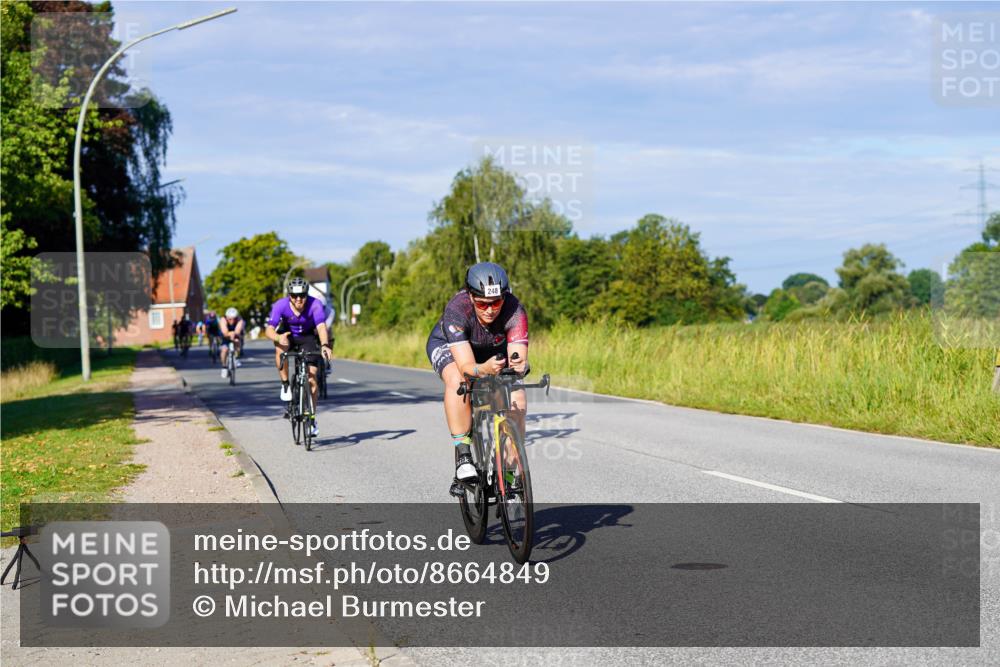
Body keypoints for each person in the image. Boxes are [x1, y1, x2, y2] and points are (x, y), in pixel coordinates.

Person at [425, 262, 529, 495]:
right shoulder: (457, 309)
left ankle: (510, 472)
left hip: (491, 349)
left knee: (517, 397)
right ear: (470, 297)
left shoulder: (515, 310)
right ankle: (463, 455)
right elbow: (466, 367)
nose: (490, 310)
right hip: (452, 347)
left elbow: (517, 359)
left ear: (505, 296)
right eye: (482, 303)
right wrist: (482, 370)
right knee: (459, 382)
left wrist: (518, 364)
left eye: (496, 303)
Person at [265, 277, 333, 437]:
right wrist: (277, 338)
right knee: (281, 349)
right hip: (287, 335)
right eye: (294, 296)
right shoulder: (280, 305)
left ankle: (311, 418)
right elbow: (269, 329)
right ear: (289, 296)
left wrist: (324, 345)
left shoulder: (314, 304)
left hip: (307, 338)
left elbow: (322, 327)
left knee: (312, 380)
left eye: (302, 295)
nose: (298, 299)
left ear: (306, 294)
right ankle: (285, 385)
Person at [219, 307, 246, 378]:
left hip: (235, 335)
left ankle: (236, 358)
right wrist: (229, 334)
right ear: (227, 317)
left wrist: (234, 335)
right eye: (230, 319)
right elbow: (224, 332)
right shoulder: (223, 319)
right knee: (224, 350)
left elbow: (238, 331)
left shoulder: (240, 320)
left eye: (234, 318)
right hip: (226, 336)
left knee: (237, 341)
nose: (232, 321)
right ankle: (224, 366)